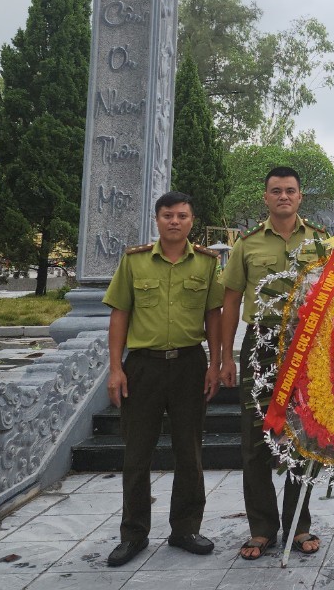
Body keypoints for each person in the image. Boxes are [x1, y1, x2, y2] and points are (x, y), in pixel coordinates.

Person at [103, 191, 224, 568]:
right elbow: (119, 314)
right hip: (143, 367)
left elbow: (214, 315)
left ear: (192, 221)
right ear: (157, 220)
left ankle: (185, 529)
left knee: (190, 451)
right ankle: (133, 534)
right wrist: (115, 368)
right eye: (168, 215)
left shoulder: (206, 263)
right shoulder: (135, 261)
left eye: (182, 216)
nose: (175, 221)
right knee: (137, 454)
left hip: (189, 364)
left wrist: (216, 363)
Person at [217, 166, 323, 561]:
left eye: (290, 190)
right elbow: (230, 301)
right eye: (276, 191)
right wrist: (226, 356)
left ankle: (299, 524)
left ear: (300, 196)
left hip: (307, 348)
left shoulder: (320, 242)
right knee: (255, 440)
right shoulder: (247, 245)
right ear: (266, 197)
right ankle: (261, 527)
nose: (283, 197)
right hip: (260, 347)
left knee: (303, 436)